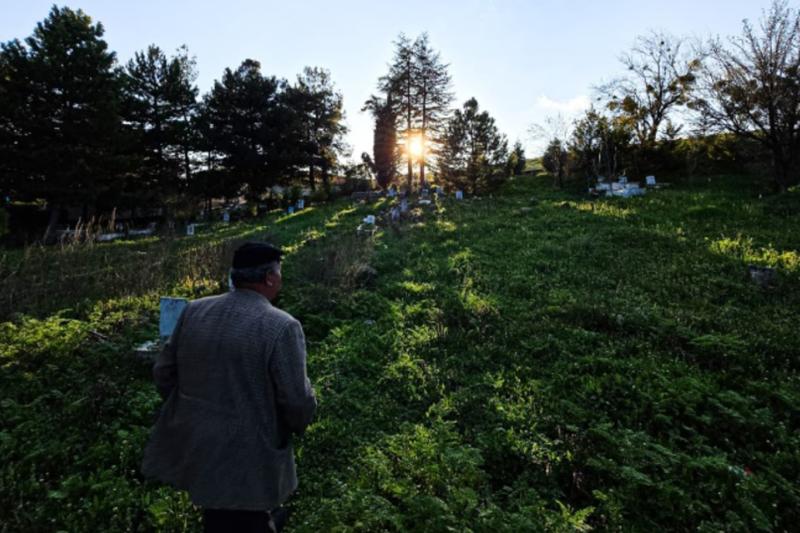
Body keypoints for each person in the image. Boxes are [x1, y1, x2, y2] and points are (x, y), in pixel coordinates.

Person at [141, 242, 317, 533]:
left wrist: (189, 410)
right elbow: (297, 401)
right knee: (244, 517)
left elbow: (163, 373)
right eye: (280, 272)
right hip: (251, 450)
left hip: (199, 440)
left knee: (219, 514)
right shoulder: (281, 326)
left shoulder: (195, 311)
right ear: (270, 278)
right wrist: (295, 425)